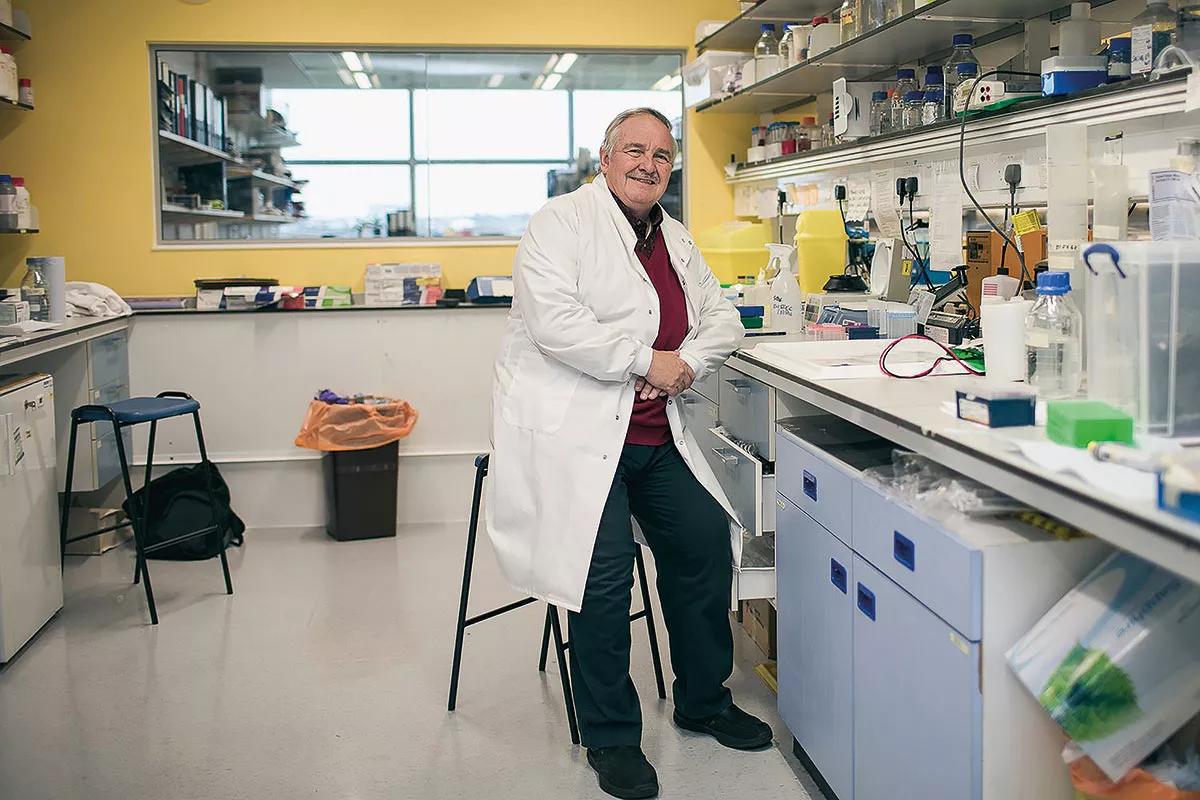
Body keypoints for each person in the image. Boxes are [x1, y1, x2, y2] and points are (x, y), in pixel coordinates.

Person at [486, 108, 770, 799]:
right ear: (606, 159)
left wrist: (682, 366)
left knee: (704, 543)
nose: (649, 164)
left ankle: (702, 701)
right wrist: (645, 358)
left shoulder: (673, 236)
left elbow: (722, 317)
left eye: (663, 156)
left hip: (652, 434)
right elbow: (559, 326)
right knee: (603, 579)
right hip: (579, 440)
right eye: (635, 151)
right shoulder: (559, 223)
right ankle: (611, 737)